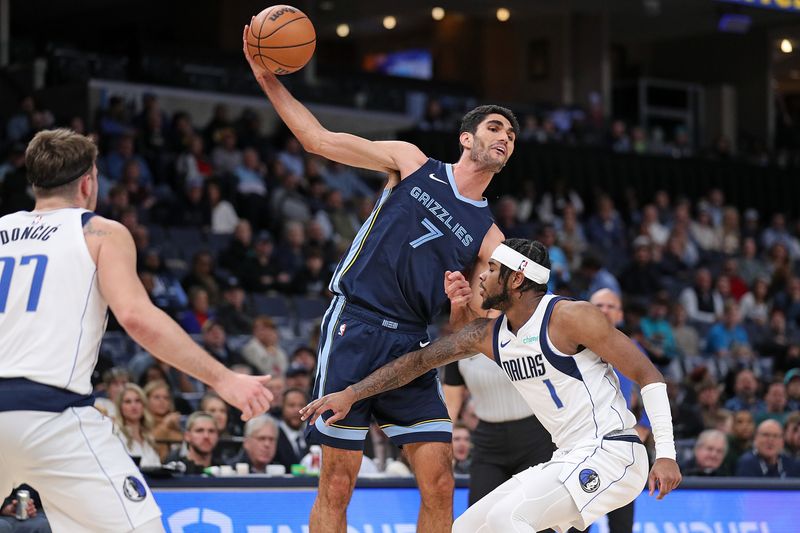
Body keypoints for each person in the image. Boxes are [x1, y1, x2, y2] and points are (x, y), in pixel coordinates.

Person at [244, 20, 517, 533]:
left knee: (439, 481)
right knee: (338, 483)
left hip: (411, 347)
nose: (504, 137)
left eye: (511, 135)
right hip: (356, 326)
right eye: (495, 128)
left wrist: (462, 301)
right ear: (466, 137)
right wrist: (267, 77)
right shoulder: (412, 163)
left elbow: (476, 321)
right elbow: (316, 139)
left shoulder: (490, 239)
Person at [301, 239, 682, 533]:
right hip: (565, 457)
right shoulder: (490, 334)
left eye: (493, 269)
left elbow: (650, 375)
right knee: (467, 528)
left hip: (614, 452)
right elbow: (417, 362)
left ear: (516, 279)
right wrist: (352, 394)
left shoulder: (571, 316)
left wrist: (665, 453)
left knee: (505, 521)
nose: (481, 276)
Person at [0, 129, 273, 533]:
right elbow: (135, 317)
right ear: (89, 181)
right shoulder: (100, 232)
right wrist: (224, 379)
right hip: (51, 413)